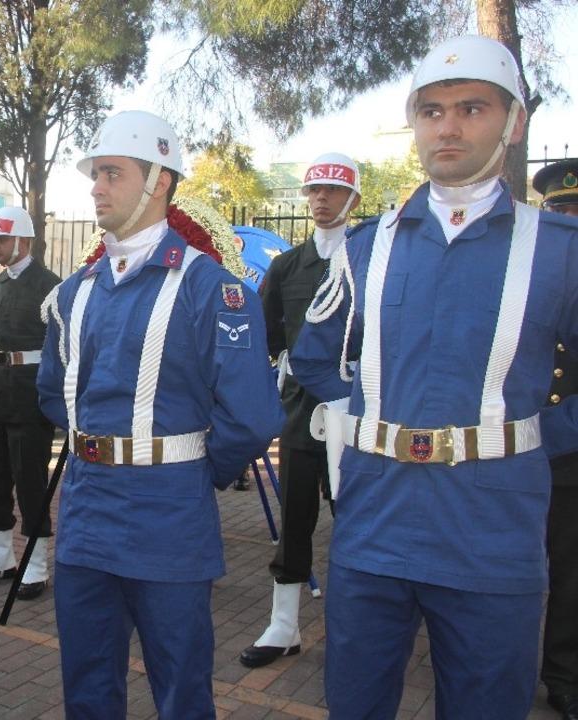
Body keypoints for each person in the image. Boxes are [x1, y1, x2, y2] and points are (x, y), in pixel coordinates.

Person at [291, 35, 578, 718]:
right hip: (374, 523)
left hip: (494, 529)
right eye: (432, 110)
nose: (448, 127)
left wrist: (533, 439)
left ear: (511, 124)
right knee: (354, 704)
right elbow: (315, 353)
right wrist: (365, 419)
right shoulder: (367, 246)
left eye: (473, 108)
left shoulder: (559, 250)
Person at [36, 110, 284, 718]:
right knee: (87, 684)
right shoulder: (74, 292)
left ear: (159, 181)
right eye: (95, 173)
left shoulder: (211, 288)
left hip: (169, 512)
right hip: (88, 508)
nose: (96, 186)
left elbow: (250, 414)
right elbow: (50, 393)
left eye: (112, 173)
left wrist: (188, 466)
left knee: (180, 688)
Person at [240, 152, 361, 668]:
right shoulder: (287, 265)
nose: (321, 200)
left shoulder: (370, 257)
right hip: (299, 409)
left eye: (332, 190)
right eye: (313, 191)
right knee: (294, 518)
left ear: (353, 198)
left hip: (357, 410)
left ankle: (358, 630)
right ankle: (283, 625)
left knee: (355, 518)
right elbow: (264, 338)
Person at [0, 205, 60, 600]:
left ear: (23, 240)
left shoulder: (50, 284)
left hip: (29, 392)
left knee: (30, 479)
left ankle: (35, 565)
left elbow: (62, 347)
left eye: (1, 240)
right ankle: (0, 556)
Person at [532, 157, 578, 720]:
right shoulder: (527, 277)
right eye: (560, 211)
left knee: (568, 575)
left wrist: (546, 433)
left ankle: (563, 675)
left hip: (567, 457)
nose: (569, 223)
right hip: (506, 458)